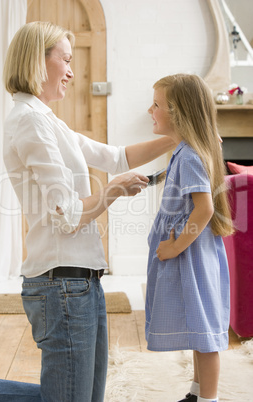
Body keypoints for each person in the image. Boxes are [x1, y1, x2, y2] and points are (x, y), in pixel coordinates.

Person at [0, 22, 175, 402]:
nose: (72, 72)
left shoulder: (47, 120)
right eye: (66, 60)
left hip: (80, 281)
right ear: (38, 61)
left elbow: (115, 156)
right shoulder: (29, 122)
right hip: (61, 285)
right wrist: (115, 189)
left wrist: (179, 137)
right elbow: (68, 215)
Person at [145, 74, 233, 402]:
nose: (149, 110)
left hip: (191, 257)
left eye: (156, 105)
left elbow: (204, 209)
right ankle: (197, 393)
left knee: (205, 334)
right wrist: (154, 179)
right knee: (198, 327)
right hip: (192, 256)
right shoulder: (187, 151)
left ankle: (208, 400)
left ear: (179, 113)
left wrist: (173, 247)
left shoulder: (192, 156)